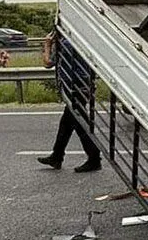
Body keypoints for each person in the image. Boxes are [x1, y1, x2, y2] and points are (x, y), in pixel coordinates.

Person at [37, 35, 102, 172]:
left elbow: (48, 63)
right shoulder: (82, 41)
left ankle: (94, 159)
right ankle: (57, 156)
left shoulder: (65, 44)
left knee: (80, 125)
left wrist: (47, 45)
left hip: (74, 87)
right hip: (84, 84)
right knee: (66, 123)